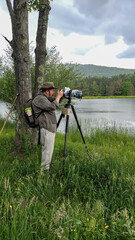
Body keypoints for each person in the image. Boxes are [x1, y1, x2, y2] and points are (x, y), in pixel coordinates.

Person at [32, 82, 63, 170]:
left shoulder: (45, 98)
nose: (53, 92)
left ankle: (45, 168)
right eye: (52, 90)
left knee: (48, 150)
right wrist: (58, 97)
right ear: (47, 91)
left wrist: (61, 97)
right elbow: (53, 106)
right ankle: (44, 171)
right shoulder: (40, 99)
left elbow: (55, 101)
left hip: (49, 127)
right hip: (46, 128)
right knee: (47, 151)